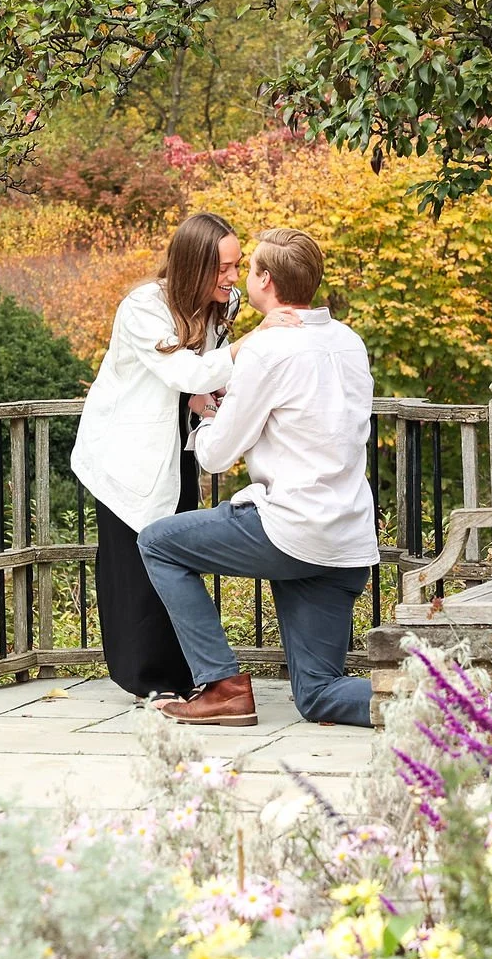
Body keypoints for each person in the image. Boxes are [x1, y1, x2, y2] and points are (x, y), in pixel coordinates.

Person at [137, 227, 376, 727]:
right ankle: (449, 701)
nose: (243, 277)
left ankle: (223, 686)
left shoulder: (268, 350)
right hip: (346, 542)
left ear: (266, 280)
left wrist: (205, 417)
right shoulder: (350, 342)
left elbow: (217, 457)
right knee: (319, 694)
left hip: (290, 530)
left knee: (158, 542)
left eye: (249, 270)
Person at [72, 213, 298, 700]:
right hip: (126, 449)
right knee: (132, 564)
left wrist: (203, 399)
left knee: (172, 554)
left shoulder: (225, 304)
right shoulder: (143, 307)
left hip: (176, 442)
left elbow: (200, 376)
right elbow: (183, 371)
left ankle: (184, 674)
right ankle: (147, 681)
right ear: (194, 265)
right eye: (224, 267)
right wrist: (255, 340)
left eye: (238, 266)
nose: (233, 278)